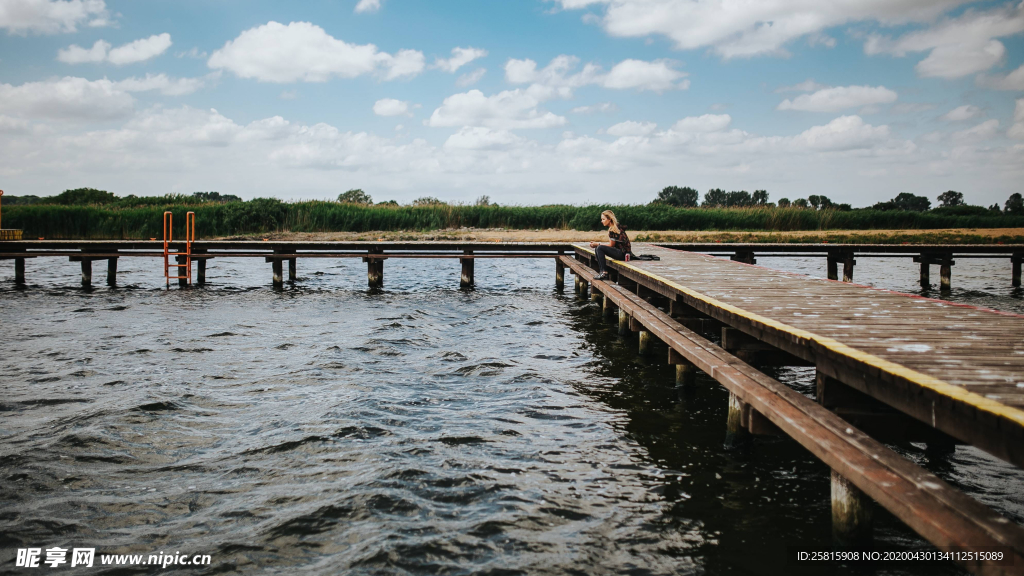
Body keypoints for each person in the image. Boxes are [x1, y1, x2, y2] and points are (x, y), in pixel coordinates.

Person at [589, 210, 630, 280]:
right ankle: (602, 272)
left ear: (609, 219)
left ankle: (604, 273)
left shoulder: (613, 229)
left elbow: (611, 245)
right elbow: (613, 245)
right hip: (624, 253)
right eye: (601, 219)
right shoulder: (615, 227)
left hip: (623, 253)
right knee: (598, 248)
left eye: (603, 219)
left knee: (599, 248)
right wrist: (597, 244)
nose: (602, 221)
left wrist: (597, 244)